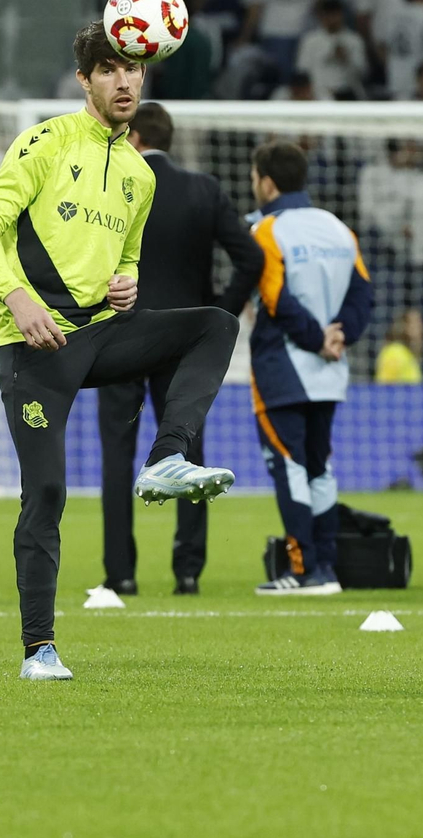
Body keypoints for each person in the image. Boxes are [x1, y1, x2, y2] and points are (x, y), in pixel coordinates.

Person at [0, 22, 240, 681]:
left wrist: (127, 284)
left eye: (133, 69)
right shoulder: (47, 141)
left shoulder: (141, 176)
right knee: (47, 491)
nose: (124, 81)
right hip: (34, 343)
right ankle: (39, 649)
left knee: (215, 325)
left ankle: (167, 457)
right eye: (109, 69)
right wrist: (18, 299)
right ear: (84, 79)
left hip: (99, 333)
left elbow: (128, 262)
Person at [97, 103, 265, 597]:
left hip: (119, 335)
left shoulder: (113, 186)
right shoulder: (203, 189)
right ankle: (188, 571)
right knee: (186, 449)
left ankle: (120, 573)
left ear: (133, 137)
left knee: (116, 455)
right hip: (182, 342)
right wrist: (217, 313)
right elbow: (250, 258)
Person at [247, 142, 372, 596]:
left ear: (266, 182)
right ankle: (326, 568)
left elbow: (276, 299)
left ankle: (302, 570)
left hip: (284, 367)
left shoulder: (266, 230)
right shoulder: (339, 229)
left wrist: (316, 339)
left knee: (290, 466)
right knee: (319, 467)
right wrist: (341, 336)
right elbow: (362, 295)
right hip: (330, 371)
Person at [374, 309, 423, 384]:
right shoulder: (394, 351)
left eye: (420, 323)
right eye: (413, 323)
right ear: (404, 326)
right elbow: (384, 385)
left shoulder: (410, 354)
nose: (419, 328)